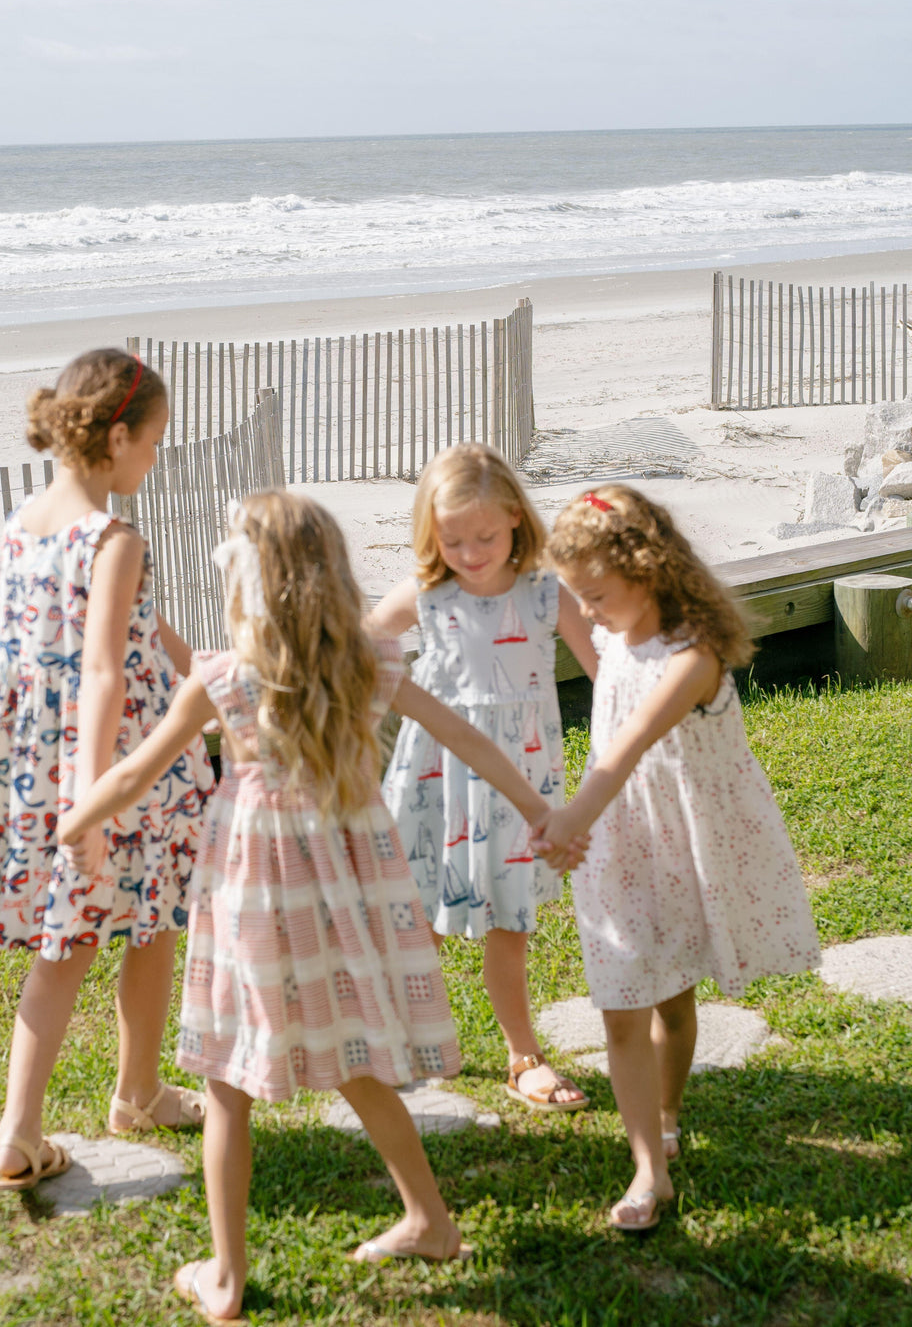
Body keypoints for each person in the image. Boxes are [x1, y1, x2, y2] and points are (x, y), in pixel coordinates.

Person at [58, 491, 573, 1321]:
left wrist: (73, 825)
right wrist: (542, 811)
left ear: (247, 586)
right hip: (347, 898)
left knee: (227, 1080)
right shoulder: (368, 663)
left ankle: (225, 1276)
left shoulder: (226, 678)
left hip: (255, 898)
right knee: (358, 1059)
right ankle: (428, 1220)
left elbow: (129, 776)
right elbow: (468, 739)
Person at [0, 349, 217, 1191]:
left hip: (29, 750)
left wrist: (201, 665)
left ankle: (109, 1100)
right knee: (110, 928)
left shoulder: (25, 520)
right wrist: (92, 803)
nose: (157, 459)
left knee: (121, 926)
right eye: (156, 441)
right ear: (120, 433)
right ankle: (62, 1116)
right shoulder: (116, 539)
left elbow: (137, 628)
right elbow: (101, 671)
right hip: (111, 758)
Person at [544, 485, 821, 1231]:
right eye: (581, 597)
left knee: (673, 998)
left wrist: (570, 818)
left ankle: (666, 1115)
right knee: (623, 1004)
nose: (587, 610)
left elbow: (628, 747)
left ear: (651, 572)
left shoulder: (693, 657)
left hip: (681, 841)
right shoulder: (611, 632)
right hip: (620, 846)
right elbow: (558, 598)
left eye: (597, 594)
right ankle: (648, 1168)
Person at [369, 442, 597, 1115]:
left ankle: (522, 1054)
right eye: (453, 538)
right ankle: (389, 1038)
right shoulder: (427, 592)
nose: (470, 552)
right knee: (422, 922)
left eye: (486, 536)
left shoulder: (548, 592)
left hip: (522, 779)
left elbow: (604, 674)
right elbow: (358, 645)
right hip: (435, 778)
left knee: (510, 919)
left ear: (517, 521)